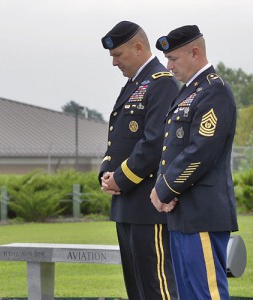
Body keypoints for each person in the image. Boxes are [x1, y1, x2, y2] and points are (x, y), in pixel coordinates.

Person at [151, 25, 238, 299]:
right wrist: (165, 193)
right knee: (187, 293)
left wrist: (163, 189)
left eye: (173, 59)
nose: (169, 66)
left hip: (202, 213)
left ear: (195, 52)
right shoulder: (189, 92)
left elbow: (201, 151)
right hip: (182, 213)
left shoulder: (214, 91)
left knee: (206, 293)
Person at [99, 21, 179, 299]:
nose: (114, 62)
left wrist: (119, 179)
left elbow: (155, 142)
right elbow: (117, 140)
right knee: (137, 289)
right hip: (127, 205)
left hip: (148, 205)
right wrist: (105, 173)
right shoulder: (133, 86)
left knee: (157, 287)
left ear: (138, 47)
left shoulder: (162, 83)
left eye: (118, 54)